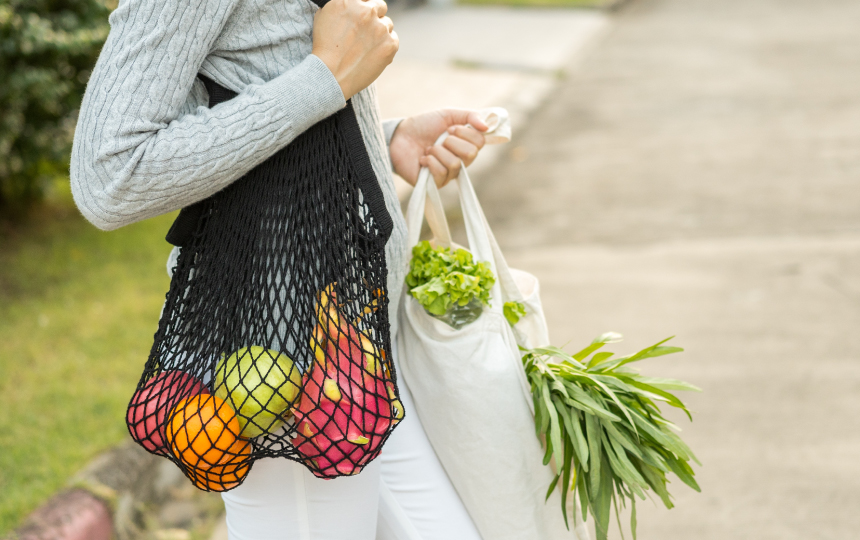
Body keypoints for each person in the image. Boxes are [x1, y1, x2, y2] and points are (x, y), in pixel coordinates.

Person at [70, 0, 491, 538]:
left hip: (353, 341)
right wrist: (324, 80)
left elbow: (259, 87)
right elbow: (111, 175)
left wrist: (382, 142)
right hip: (280, 362)